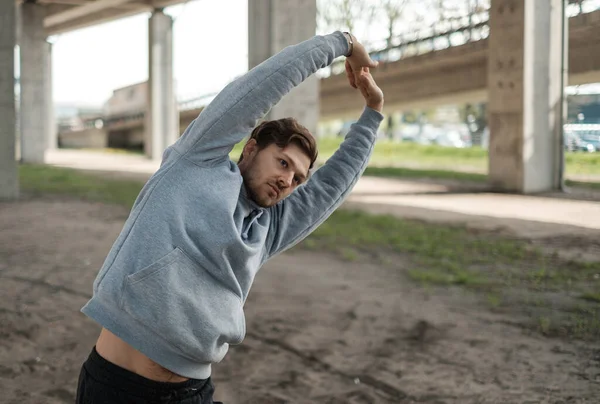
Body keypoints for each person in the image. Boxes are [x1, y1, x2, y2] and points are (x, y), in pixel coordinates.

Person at [75, 30, 384, 403]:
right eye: (282, 162)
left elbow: (331, 187)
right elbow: (260, 86)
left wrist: (373, 114)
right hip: (120, 389)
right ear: (251, 148)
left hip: (194, 393)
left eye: (297, 178)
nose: (287, 180)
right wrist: (344, 45)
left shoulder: (268, 229)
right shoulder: (196, 161)